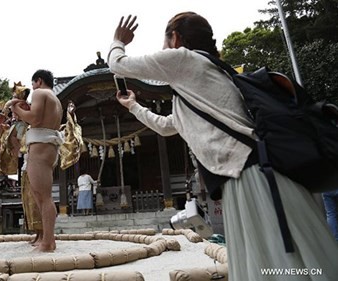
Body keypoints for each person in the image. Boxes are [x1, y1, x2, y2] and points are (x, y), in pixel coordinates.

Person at [108, 13, 338, 280]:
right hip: (253, 172)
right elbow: (167, 126)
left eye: (164, 39)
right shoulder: (210, 74)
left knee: (272, 258)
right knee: (287, 256)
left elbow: (118, 64)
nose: (162, 47)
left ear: (176, 38)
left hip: (250, 172)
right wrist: (134, 106)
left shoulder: (182, 58)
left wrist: (118, 40)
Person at [10, 69, 63, 252]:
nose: (31, 88)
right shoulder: (55, 98)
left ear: (38, 81)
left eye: (32, 84)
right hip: (47, 145)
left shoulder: (40, 93)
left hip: (41, 146)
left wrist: (15, 107)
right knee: (42, 196)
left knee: (43, 196)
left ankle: (48, 242)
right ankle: (49, 240)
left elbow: (35, 118)